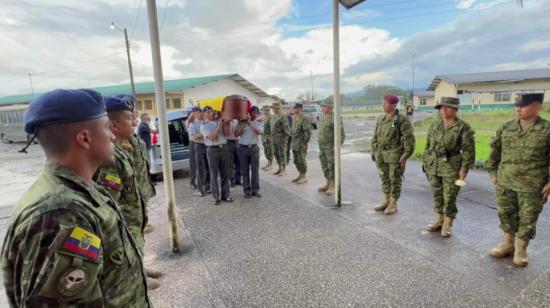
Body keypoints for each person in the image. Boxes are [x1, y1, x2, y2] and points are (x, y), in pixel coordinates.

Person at [1, 89, 151, 307]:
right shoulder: (60, 212)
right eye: (106, 126)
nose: (112, 134)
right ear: (84, 138)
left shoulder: (80, 192)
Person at [93, 96, 161, 289]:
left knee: (138, 240)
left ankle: (140, 268)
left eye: (134, 116)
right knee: (127, 246)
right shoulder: (110, 155)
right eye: (129, 118)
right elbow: (109, 197)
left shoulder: (133, 141)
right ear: (113, 124)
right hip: (125, 212)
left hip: (137, 203)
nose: (134, 122)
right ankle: (136, 278)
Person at [486, 93, 550, 267]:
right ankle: (507, 244)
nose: (518, 108)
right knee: (505, 214)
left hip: (532, 186)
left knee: (527, 218)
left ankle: (520, 250)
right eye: (517, 105)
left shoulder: (547, 129)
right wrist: (492, 172)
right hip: (505, 182)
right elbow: (494, 153)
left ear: (537, 107)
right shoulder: (506, 127)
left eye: (523, 105)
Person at [421, 97, 475, 238]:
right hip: (434, 165)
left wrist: (464, 170)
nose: (443, 110)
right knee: (437, 194)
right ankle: (439, 219)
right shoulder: (435, 125)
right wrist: (426, 162)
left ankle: (448, 223)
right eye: (441, 107)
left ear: (455, 109)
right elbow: (427, 145)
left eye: (447, 107)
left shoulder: (463, 127)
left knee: (450, 196)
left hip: (451, 167)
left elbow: (469, 152)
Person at [371, 94, 415, 215]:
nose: (383, 105)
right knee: (384, 178)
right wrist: (374, 150)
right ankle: (386, 201)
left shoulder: (401, 119)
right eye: (383, 102)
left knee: (394, 179)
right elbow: (375, 136)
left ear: (394, 105)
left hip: (395, 154)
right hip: (381, 154)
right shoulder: (381, 119)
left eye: (385, 103)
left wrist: (406, 155)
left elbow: (409, 139)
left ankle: (393, 204)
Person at [201, 106, 233, 205]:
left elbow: (228, 134)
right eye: (209, 112)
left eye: (213, 111)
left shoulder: (221, 121)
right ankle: (216, 197)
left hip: (223, 148)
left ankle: (226, 195)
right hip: (212, 149)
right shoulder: (204, 125)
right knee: (213, 174)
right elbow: (211, 137)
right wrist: (219, 125)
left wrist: (227, 123)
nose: (212, 113)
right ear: (205, 114)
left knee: (225, 173)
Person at [317, 98, 345, 195]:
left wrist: (337, 146)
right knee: (324, 166)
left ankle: (333, 185)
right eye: (322, 106)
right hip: (322, 147)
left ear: (329, 107)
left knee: (332, 166)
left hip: (330, 147)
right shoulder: (322, 117)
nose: (322, 108)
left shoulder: (335, 118)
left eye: (323, 106)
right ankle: (328, 183)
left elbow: (341, 134)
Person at [235, 106, 263, 198]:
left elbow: (259, 132)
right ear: (249, 113)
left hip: (254, 148)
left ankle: (255, 190)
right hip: (243, 148)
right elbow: (236, 134)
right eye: (252, 112)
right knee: (245, 171)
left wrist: (251, 124)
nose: (254, 114)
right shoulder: (241, 122)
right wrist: (244, 124)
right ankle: (247, 191)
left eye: (256, 113)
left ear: (258, 113)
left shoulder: (259, 122)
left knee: (255, 171)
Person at [290, 103, 312, 184]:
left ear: (299, 109)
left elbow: (308, 132)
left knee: (301, 160)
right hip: (295, 144)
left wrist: (305, 143)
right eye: (293, 108)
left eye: (294, 108)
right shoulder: (295, 118)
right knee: (296, 161)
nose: (293, 109)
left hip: (301, 144)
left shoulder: (304, 119)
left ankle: (304, 177)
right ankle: (300, 174)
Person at [190, 107, 210, 196]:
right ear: (194, 114)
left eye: (199, 112)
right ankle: (201, 189)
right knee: (200, 169)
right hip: (199, 146)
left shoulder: (206, 122)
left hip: (208, 145)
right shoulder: (192, 124)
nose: (198, 114)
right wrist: (203, 132)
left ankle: (208, 187)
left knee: (209, 168)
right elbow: (194, 137)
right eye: (196, 113)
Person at [270, 102, 290, 176]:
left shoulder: (283, 116)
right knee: (276, 153)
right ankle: (279, 167)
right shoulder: (273, 116)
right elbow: (272, 127)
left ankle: (284, 169)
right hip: (274, 138)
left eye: (274, 108)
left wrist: (286, 138)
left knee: (282, 153)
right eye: (272, 108)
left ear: (278, 108)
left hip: (281, 138)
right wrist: (271, 137)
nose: (272, 109)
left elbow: (287, 128)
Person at [186, 108, 199, 189]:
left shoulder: (198, 122)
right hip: (192, 143)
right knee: (193, 164)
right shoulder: (188, 122)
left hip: (199, 143)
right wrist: (193, 112)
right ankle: (192, 182)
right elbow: (190, 118)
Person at [227, 119, 242, 186]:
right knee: (230, 162)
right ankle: (232, 179)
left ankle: (238, 179)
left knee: (239, 161)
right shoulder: (227, 120)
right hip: (229, 141)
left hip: (238, 141)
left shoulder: (237, 120)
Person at [261, 105, 274, 171]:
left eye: (265, 110)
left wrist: (271, 137)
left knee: (270, 151)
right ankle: (268, 163)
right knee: (266, 151)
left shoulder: (271, 117)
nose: (263, 111)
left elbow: (273, 128)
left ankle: (270, 164)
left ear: (268, 110)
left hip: (268, 137)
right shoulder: (265, 117)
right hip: (264, 137)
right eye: (263, 110)